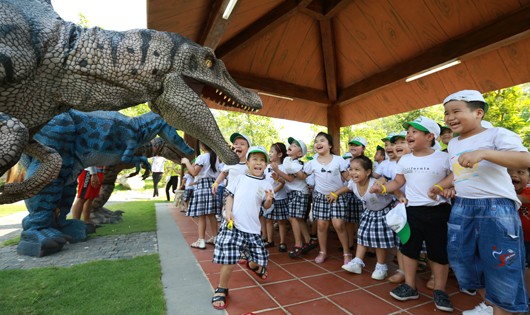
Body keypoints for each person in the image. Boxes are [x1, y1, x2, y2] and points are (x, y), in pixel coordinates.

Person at [432, 90, 530, 315]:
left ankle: (503, 309)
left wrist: (484, 153)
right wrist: (441, 186)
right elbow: (458, 173)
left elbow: (525, 158)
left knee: (501, 265)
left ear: (478, 112)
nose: (449, 117)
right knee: (464, 262)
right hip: (463, 206)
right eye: (446, 113)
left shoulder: (496, 134)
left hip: (495, 207)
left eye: (456, 111)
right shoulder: (454, 143)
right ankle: (490, 305)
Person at [370, 116, 454, 312]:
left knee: (438, 251)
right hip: (412, 210)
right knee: (408, 248)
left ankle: (440, 290)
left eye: (414, 132)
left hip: (438, 211)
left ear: (430, 136)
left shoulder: (443, 157)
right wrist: (381, 188)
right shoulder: (405, 159)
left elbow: (455, 176)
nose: (409, 135)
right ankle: (410, 286)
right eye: (408, 131)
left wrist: (447, 188)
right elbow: (398, 182)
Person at [211, 146, 274, 310]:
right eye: (255, 159)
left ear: (266, 165)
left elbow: (266, 206)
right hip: (234, 225)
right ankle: (222, 288)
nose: (258, 163)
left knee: (261, 258)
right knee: (230, 259)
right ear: (247, 162)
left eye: (262, 160)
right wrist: (228, 212)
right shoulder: (239, 178)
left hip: (252, 228)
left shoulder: (267, 183)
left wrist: (269, 199)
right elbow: (229, 196)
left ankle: (252, 265)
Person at [335, 156, 400, 280]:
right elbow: (346, 188)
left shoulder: (375, 184)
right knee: (362, 235)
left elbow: (393, 190)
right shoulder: (353, 184)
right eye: (351, 169)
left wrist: (401, 197)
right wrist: (335, 193)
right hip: (369, 211)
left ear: (368, 172)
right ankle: (357, 262)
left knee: (379, 240)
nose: (353, 172)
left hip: (383, 212)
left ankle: (381, 267)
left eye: (357, 169)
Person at [303, 132, 351, 265]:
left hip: (337, 196)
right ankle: (322, 251)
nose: (318, 143)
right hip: (320, 196)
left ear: (329, 145)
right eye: (316, 141)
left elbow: (347, 177)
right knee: (322, 225)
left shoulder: (339, 160)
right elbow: (301, 175)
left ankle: (347, 253)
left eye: (322, 140)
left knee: (339, 224)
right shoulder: (311, 163)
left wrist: (355, 179)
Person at [271, 137, 316, 258]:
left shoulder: (295, 164)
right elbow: (287, 180)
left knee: (292, 218)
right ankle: (308, 240)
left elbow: (291, 178)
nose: (291, 145)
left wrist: (277, 171)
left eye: (295, 146)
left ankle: (298, 244)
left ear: (300, 154)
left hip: (299, 192)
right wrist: (277, 178)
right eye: (291, 144)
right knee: (299, 219)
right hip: (294, 192)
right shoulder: (288, 160)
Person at [212, 132, 251, 245]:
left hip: (244, 196)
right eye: (236, 144)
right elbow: (223, 173)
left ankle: (243, 242)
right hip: (229, 194)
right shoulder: (230, 162)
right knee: (227, 215)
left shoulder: (250, 165)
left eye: (242, 144)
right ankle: (227, 239)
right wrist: (216, 183)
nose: (238, 146)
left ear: (249, 148)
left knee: (242, 218)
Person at [181, 142, 220, 250]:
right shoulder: (215, 158)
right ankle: (215, 238)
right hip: (212, 187)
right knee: (211, 215)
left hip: (202, 187)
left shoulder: (202, 157)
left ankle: (201, 240)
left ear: (202, 146)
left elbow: (194, 172)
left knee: (201, 215)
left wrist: (187, 162)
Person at [263, 142, 289, 252]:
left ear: (279, 154)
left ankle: (282, 242)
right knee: (268, 220)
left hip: (280, 198)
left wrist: (273, 191)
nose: (270, 153)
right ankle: (270, 240)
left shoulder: (283, 167)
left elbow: (284, 182)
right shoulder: (266, 166)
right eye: (269, 151)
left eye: (272, 151)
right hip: (268, 198)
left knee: (281, 221)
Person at [344, 136, 367, 251]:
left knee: (362, 221)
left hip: (362, 194)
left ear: (363, 148)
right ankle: (350, 244)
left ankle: (364, 246)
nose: (353, 147)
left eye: (356, 145)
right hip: (349, 194)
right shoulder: (345, 162)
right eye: (352, 145)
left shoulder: (366, 162)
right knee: (348, 220)